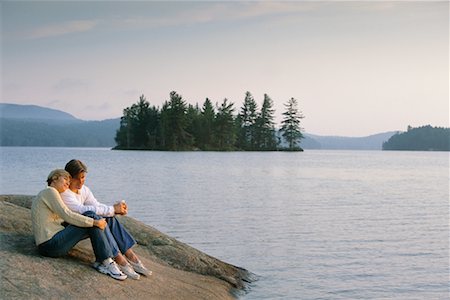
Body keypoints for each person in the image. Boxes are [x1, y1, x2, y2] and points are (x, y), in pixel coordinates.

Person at [61, 159, 151, 280]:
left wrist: (116, 209)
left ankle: (131, 257)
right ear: (69, 178)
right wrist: (112, 209)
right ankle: (119, 259)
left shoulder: (84, 190)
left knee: (108, 217)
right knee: (92, 215)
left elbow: (96, 205)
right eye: (78, 178)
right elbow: (81, 210)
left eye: (83, 177)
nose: (81, 181)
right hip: (70, 228)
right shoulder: (65, 193)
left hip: (86, 224)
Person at [31, 169, 127, 281]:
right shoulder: (49, 192)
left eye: (69, 180)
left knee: (91, 216)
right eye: (65, 179)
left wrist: (94, 221)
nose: (68, 183)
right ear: (55, 178)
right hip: (50, 244)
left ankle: (102, 261)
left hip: (51, 244)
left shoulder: (53, 195)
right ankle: (106, 261)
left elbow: (66, 217)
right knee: (91, 218)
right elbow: (67, 214)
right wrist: (94, 222)